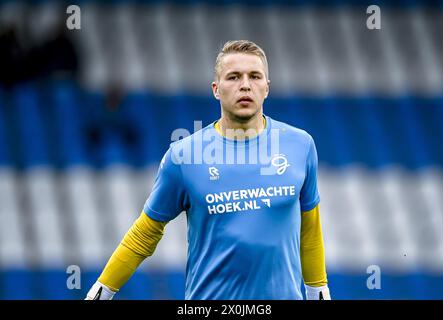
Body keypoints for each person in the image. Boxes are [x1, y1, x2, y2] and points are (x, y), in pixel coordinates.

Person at [85, 40, 331, 300]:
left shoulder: (300, 145)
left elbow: (310, 230)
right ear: (216, 89)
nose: (245, 85)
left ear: (267, 88)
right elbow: (145, 234)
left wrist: (319, 291)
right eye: (233, 77)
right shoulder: (184, 157)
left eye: (255, 76)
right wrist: (102, 291)